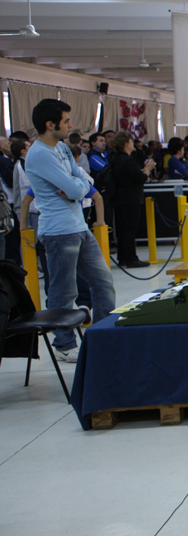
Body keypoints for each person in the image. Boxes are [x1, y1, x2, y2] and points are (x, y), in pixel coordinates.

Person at [24, 99, 116, 363]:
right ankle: (64, 342)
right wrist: (75, 188)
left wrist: (74, 187)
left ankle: (102, 335)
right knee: (65, 290)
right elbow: (78, 188)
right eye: (66, 121)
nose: (71, 125)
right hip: (58, 231)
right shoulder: (39, 154)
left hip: (79, 227)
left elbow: (84, 182)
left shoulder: (63, 148)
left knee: (103, 283)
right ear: (50, 124)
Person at [107, 131, 156, 268]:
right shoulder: (128, 160)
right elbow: (140, 178)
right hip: (130, 198)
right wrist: (147, 169)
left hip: (119, 197)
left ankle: (123, 257)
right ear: (127, 143)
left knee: (122, 229)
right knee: (130, 229)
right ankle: (131, 258)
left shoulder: (115, 158)